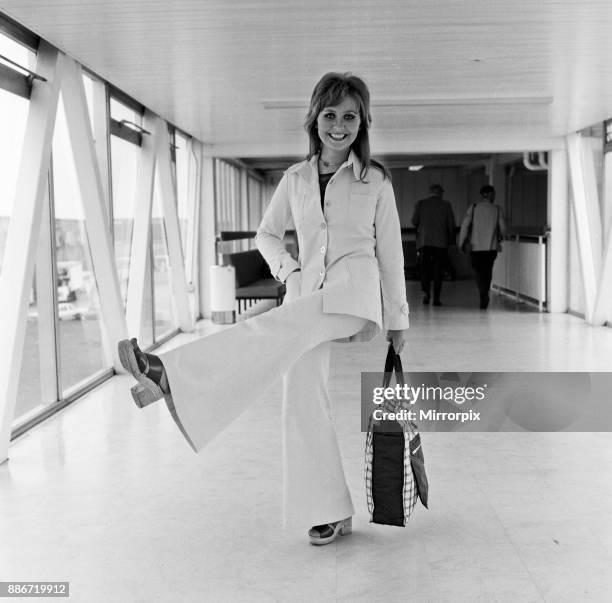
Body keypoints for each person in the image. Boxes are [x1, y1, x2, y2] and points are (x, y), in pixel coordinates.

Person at [118, 72, 409, 546]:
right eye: (330, 115)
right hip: (305, 296)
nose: (339, 125)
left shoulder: (376, 180)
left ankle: (170, 375)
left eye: (350, 116)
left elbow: (392, 254)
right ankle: (329, 509)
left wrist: (398, 320)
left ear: (363, 122)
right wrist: (289, 272)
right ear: (315, 119)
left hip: (353, 296)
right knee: (301, 399)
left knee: (267, 332)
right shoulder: (295, 179)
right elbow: (266, 234)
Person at [458, 184, 507, 309]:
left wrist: (461, 243)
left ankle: (482, 293)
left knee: (478, 272)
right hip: (491, 247)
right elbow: (503, 228)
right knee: (488, 271)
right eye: (494, 193)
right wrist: (504, 238)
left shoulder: (473, 208)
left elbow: (465, 226)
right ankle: (484, 292)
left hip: (475, 247)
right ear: (490, 194)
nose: (495, 196)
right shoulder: (497, 209)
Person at [411, 183, 456, 306]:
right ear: (440, 192)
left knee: (425, 269)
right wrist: (452, 243)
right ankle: (436, 297)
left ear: (430, 192)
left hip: (424, 242)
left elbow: (414, 221)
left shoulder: (421, 204)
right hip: (441, 243)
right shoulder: (446, 205)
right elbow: (451, 226)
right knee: (438, 270)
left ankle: (426, 293)